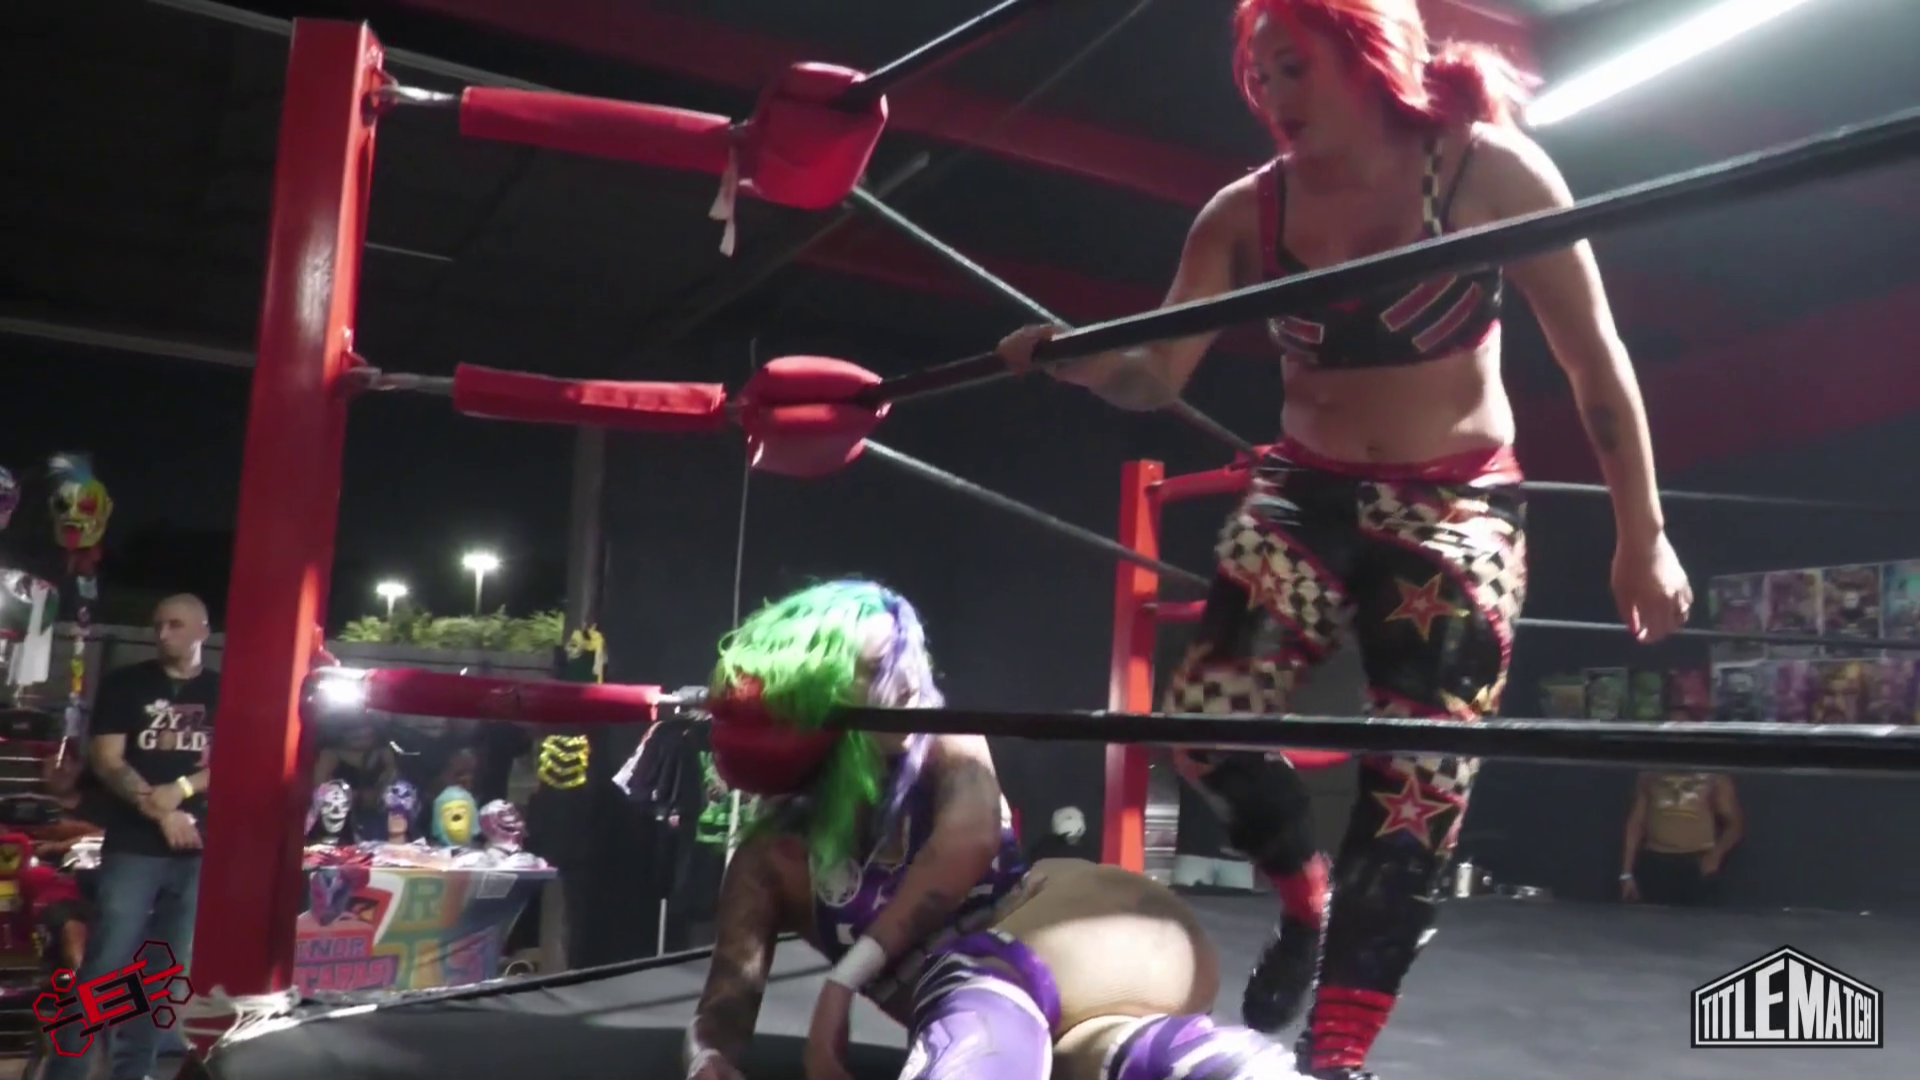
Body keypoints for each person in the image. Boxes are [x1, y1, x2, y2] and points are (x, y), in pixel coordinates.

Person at [997, 0, 1694, 1073]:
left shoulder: (1484, 172)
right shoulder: (1247, 211)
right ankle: (1303, 900)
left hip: (1457, 503)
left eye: (1295, 68)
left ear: (1370, 59)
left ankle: (1337, 1052)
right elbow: (1155, 374)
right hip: (1305, 492)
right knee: (1204, 727)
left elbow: (1593, 357)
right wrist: (1074, 358)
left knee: (1420, 787)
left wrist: (1642, 535)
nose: (1274, 97)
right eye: (1260, 76)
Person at [686, 580, 1295, 1080]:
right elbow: (727, 997)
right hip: (1040, 1022)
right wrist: (706, 1059)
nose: (906, 681)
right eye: (876, 669)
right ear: (816, 694)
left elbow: (967, 844)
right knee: (1097, 1057)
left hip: (1094, 934)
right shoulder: (772, 861)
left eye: (906, 659)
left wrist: (842, 983)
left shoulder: (946, 743)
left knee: (976, 981)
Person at [46, 594, 217, 1080]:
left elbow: (236, 760)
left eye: (176, 625)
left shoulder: (223, 691)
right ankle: (66, 1074)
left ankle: (133, 1071)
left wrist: (181, 789)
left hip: (197, 850)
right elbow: (107, 760)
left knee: (165, 973)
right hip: (134, 846)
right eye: (158, 624)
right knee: (105, 965)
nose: (163, 634)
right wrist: (161, 813)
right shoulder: (127, 683)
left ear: (203, 630)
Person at [1621, 771, 1741, 906]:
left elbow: (1735, 825)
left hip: (1698, 863)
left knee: (1699, 918)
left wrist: (1716, 855)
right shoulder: (1650, 773)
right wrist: (1626, 873)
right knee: (1653, 917)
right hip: (1657, 861)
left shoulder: (1714, 776)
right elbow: (1636, 824)